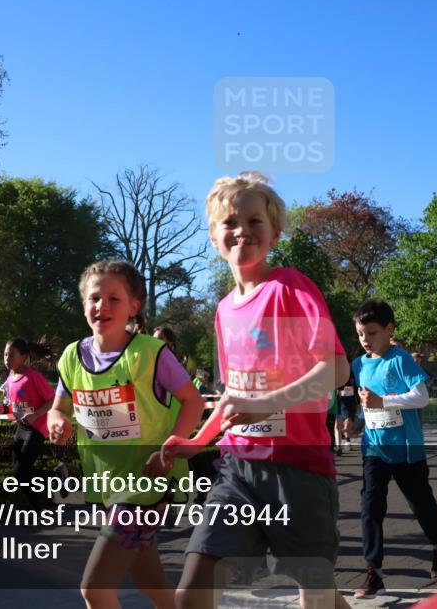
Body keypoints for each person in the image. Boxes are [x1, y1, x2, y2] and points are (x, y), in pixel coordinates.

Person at [159, 171, 352, 609]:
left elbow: (337, 369)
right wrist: (195, 442)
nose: (241, 230)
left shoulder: (290, 288)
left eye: (254, 221)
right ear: (213, 237)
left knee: (317, 596)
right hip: (237, 470)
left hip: (298, 471)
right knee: (192, 591)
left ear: (274, 232)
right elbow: (233, 397)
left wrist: (264, 403)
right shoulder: (225, 310)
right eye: (229, 222)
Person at [47, 260, 204, 609]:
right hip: (108, 485)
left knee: (95, 589)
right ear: (83, 304)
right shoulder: (73, 356)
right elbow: (59, 408)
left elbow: (192, 402)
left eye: (113, 299)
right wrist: (56, 421)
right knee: (151, 580)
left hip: (147, 484)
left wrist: (170, 448)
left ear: (133, 307)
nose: (102, 306)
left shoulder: (151, 352)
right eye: (94, 298)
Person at [352, 299, 437, 598]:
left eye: (371, 333)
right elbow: (366, 400)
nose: (365, 340)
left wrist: (384, 401)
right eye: (360, 334)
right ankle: (374, 572)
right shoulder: (358, 364)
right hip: (375, 449)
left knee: (421, 507)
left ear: (389, 330)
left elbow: (421, 398)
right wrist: (360, 419)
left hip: (406, 450)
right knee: (370, 508)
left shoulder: (401, 359)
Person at [2, 338, 57, 508]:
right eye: (4, 355)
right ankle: (54, 479)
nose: (6, 359)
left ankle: (38, 508)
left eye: (11, 355)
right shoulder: (10, 377)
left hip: (37, 428)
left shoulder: (33, 377)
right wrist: (1, 408)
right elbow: (11, 404)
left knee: (21, 471)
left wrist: (35, 415)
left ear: (24, 357)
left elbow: (53, 400)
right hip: (21, 427)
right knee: (18, 473)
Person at [335, 376, 358, 453]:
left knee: (348, 421)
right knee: (338, 424)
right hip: (340, 399)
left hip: (351, 399)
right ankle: (339, 446)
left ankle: (347, 441)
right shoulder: (338, 370)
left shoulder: (353, 370)